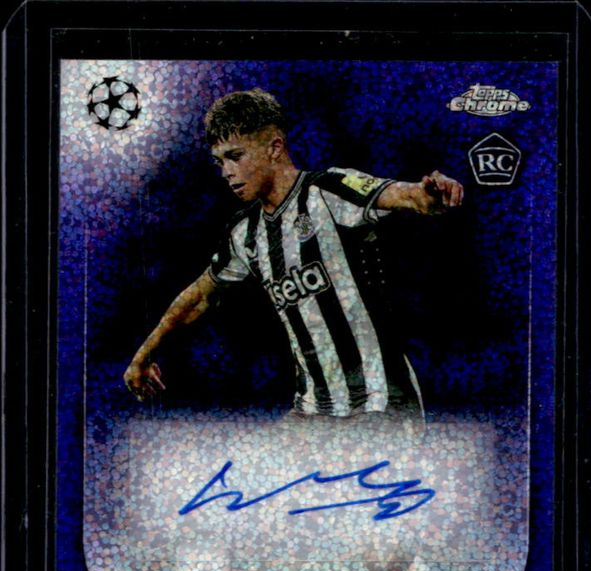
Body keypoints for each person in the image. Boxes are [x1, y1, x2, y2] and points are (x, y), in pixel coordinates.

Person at [124, 88, 464, 416]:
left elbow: (405, 195)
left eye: (235, 156)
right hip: (314, 408)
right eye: (219, 162)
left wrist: (430, 194)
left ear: (274, 147)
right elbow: (199, 297)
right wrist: (144, 354)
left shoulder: (329, 191)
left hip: (381, 401)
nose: (227, 172)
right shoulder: (245, 233)